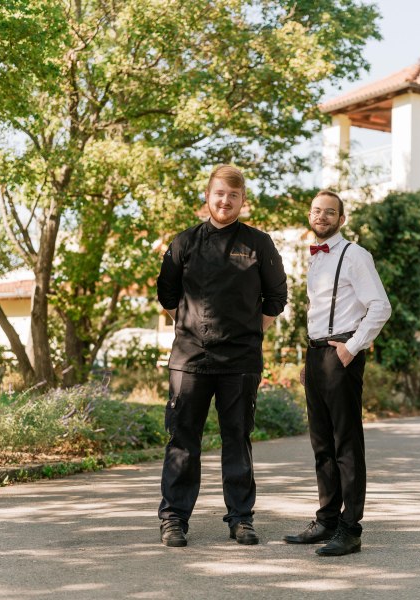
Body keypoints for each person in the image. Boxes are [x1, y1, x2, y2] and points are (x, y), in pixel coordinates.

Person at [156, 165, 287, 548]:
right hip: (190, 360)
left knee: (237, 439)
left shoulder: (259, 244)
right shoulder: (184, 242)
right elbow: (168, 296)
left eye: (233, 195)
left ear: (242, 201)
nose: (225, 201)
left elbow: (276, 299)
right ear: (207, 197)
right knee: (182, 442)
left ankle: (241, 520)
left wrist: (247, 334)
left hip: (241, 363)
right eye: (219, 194)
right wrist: (193, 328)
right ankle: (174, 520)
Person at [284, 190, 391, 556]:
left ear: (341, 219)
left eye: (330, 212)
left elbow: (380, 306)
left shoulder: (355, 255)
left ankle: (351, 528)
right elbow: (319, 314)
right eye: (317, 211)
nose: (322, 216)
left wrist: (352, 346)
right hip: (317, 356)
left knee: (346, 444)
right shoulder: (314, 259)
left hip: (341, 353)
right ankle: (327, 519)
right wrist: (308, 361)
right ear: (310, 215)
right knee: (321, 445)